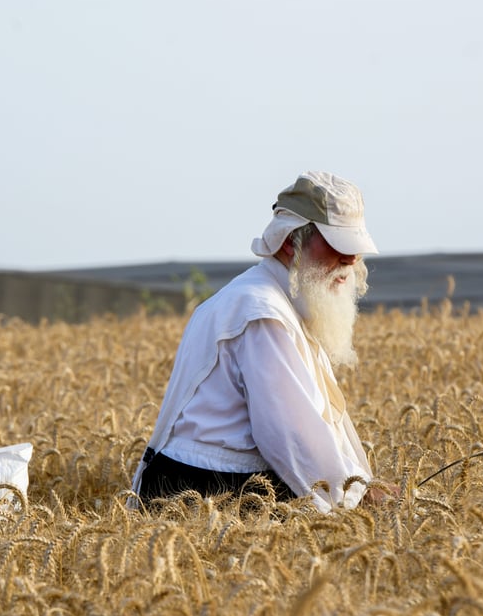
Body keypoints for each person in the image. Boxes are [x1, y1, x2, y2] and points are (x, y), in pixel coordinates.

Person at [132, 170, 378, 512]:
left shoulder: (277, 297)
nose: (351, 260)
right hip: (208, 490)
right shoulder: (261, 311)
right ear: (292, 241)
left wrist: (358, 487)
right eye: (338, 244)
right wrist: (354, 498)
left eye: (355, 248)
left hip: (214, 482)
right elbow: (291, 436)